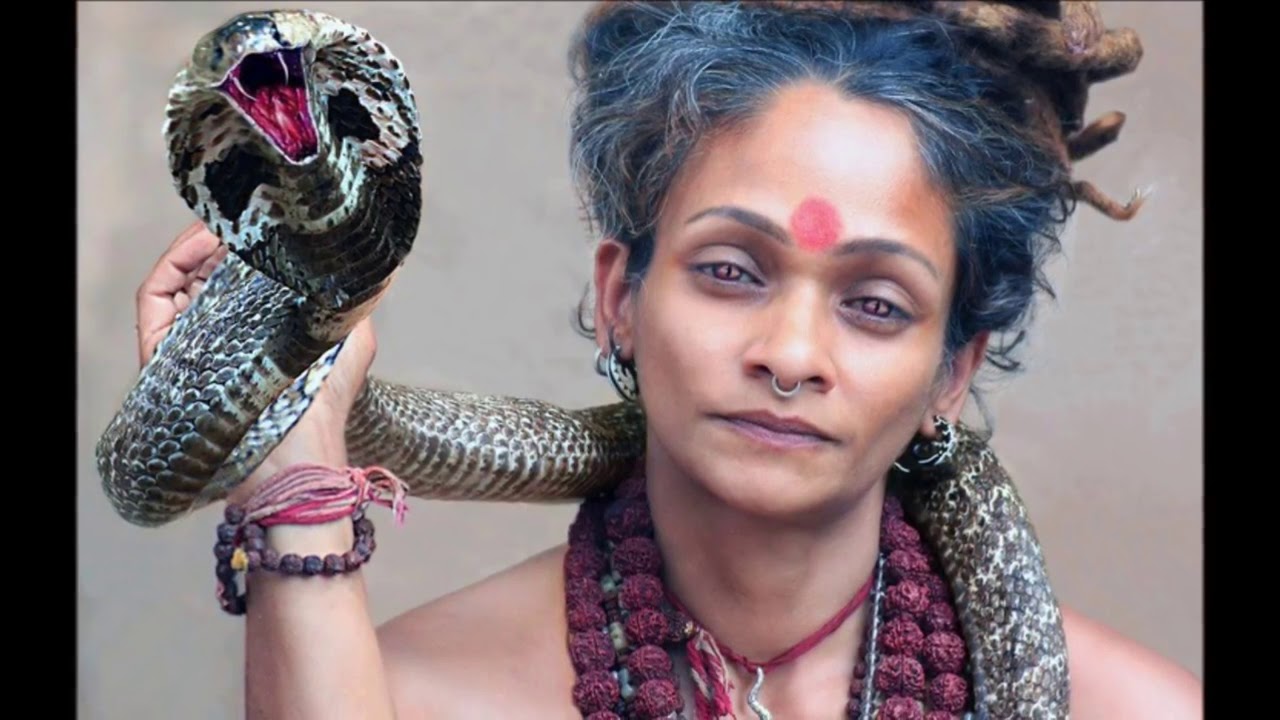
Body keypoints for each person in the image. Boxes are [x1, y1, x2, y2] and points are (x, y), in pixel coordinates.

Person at [132, 2, 1201, 718]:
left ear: (949, 375)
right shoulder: (403, 691)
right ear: (618, 301)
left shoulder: (1136, 709)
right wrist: (290, 447)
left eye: (875, 305)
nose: (788, 355)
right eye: (731, 271)